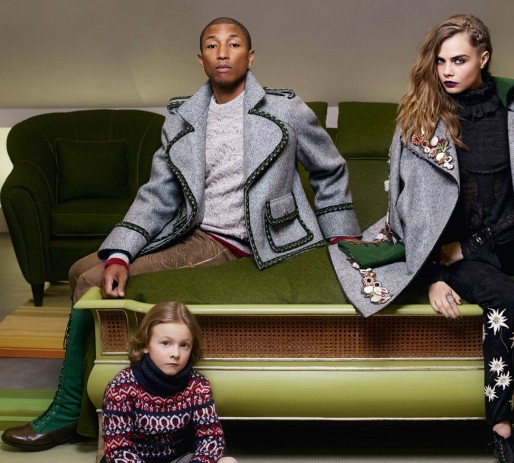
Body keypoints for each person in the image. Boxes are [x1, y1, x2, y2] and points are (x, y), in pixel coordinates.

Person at [2, 16, 359, 451]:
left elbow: (329, 169)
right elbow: (159, 193)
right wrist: (121, 252)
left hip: (242, 241)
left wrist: (341, 235)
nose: (223, 53)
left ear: (250, 56)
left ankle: (65, 412)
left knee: (91, 282)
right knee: (81, 269)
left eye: (233, 44)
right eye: (212, 45)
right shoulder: (183, 117)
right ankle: (84, 401)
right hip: (192, 230)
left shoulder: (286, 109)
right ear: (200, 58)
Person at [328, 13, 514, 463]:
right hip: (454, 253)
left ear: (484, 58)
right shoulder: (419, 123)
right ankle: (500, 427)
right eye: (440, 61)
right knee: (505, 299)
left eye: (459, 60)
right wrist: (434, 275)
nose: (447, 71)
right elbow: (409, 213)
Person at [101, 301, 237, 463]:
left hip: (179, 458)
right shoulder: (121, 387)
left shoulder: (198, 385)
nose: (175, 353)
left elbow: (212, 439)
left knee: (229, 462)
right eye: (165, 343)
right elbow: (118, 450)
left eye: (184, 345)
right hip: (133, 459)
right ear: (146, 344)